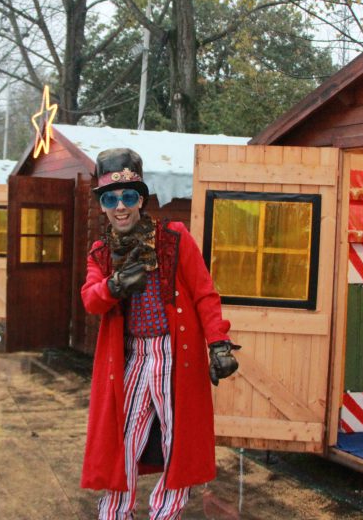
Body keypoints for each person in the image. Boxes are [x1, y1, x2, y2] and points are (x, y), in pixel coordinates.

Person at [80, 148, 241, 519]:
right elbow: (90, 299)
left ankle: (165, 513)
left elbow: (204, 293)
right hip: (133, 356)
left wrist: (218, 343)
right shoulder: (101, 252)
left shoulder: (173, 238)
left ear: (141, 199)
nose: (120, 206)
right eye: (110, 199)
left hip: (176, 354)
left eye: (128, 196)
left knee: (177, 440)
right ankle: (115, 512)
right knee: (124, 439)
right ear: (102, 205)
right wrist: (114, 285)